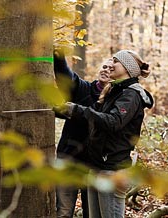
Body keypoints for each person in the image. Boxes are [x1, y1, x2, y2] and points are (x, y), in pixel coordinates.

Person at [55, 50, 154, 218]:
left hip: (112, 169)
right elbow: (92, 114)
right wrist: (62, 110)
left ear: (127, 67)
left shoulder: (130, 94)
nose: (110, 67)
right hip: (98, 167)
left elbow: (113, 121)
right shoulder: (113, 91)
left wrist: (76, 109)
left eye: (115, 62)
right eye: (108, 64)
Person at [53, 48, 112, 218]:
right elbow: (66, 76)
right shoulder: (83, 88)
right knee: (63, 211)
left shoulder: (115, 101)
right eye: (104, 66)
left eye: (110, 68)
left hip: (94, 165)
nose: (106, 70)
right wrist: (58, 56)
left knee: (92, 213)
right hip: (68, 159)